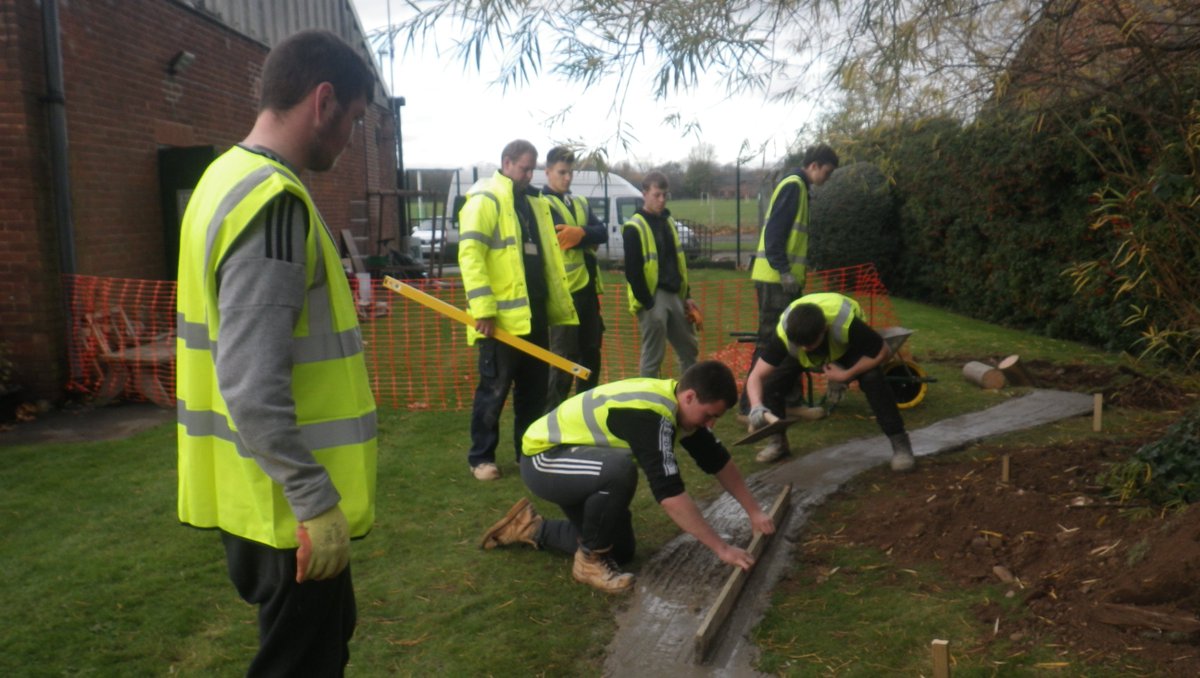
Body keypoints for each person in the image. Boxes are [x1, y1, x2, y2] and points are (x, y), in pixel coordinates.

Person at [175, 30, 377, 676]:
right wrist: (314, 498)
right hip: (287, 509)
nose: (349, 143)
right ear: (323, 102)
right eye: (353, 121)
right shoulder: (274, 203)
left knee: (323, 641)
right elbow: (251, 381)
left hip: (258, 497)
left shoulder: (220, 180)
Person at [478, 360, 775, 593]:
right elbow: (669, 495)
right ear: (689, 396)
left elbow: (717, 460)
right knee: (619, 471)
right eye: (710, 415)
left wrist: (755, 511)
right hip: (543, 459)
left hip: (575, 462)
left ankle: (530, 528)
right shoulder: (651, 416)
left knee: (619, 549)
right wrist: (721, 549)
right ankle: (588, 565)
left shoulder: (677, 405)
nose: (711, 423)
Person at [458, 140, 578, 481]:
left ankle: (528, 452)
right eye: (524, 167)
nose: (529, 174)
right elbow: (470, 256)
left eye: (531, 168)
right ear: (507, 163)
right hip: (499, 323)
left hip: (535, 315)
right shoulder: (486, 198)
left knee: (533, 392)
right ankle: (481, 458)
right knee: (493, 391)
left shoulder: (534, 203)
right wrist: (483, 309)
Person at [743, 292, 915, 471]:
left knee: (873, 379)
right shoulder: (785, 335)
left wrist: (846, 374)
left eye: (809, 344)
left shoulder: (846, 324)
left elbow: (883, 352)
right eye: (799, 344)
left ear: (824, 329)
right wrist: (756, 406)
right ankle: (778, 443)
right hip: (810, 345)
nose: (804, 348)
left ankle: (900, 444)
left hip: (846, 346)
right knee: (772, 383)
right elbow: (756, 376)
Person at [744, 144, 840, 462]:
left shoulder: (800, 188)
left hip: (785, 280)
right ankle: (750, 408)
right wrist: (784, 270)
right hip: (775, 280)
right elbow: (774, 234)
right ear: (815, 165)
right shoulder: (793, 186)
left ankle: (791, 398)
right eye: (826, 172)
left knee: (792, 340)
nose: (826, 179)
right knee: (771, 343)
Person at [541, 146, 608, 406]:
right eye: (561, 172)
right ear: (547, 172)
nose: (567, 178)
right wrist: (586, 235)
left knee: (591, 356)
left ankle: (583, 413)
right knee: (562, 362)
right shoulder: (542, 203)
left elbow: (601, 231)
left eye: (570, 173)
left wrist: (581, 233)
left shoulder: (579, 202)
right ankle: (551, 420)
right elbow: (561, 236)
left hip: (588, 293)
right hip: (563, 296)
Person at [624, 171, 700, 378]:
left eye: (665, 195)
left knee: (689, 348)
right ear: (644, 194)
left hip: (675, 293)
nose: (661, 200)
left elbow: (678, 262)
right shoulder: (634, 227)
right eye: (657, 195)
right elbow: (632, 271)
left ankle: (689, 397)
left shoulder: (668, 222)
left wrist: (687, 296)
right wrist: (647, 302)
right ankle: (648, 403)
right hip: (652, 296)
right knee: (653, 356)